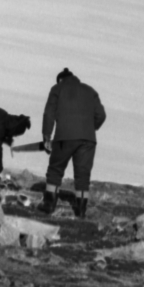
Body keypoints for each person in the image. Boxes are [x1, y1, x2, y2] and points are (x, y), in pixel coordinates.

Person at [39, 67, 105, 218]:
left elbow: (49, 113)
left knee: (55, 170)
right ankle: (80, 212)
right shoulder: (90, 91)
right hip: (88, 139)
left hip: (65, 137)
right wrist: (88, 127)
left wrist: (47, 136)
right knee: (83, 176)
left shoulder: (57, 89)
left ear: (60, 80)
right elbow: (101, 115)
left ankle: (49, 205)